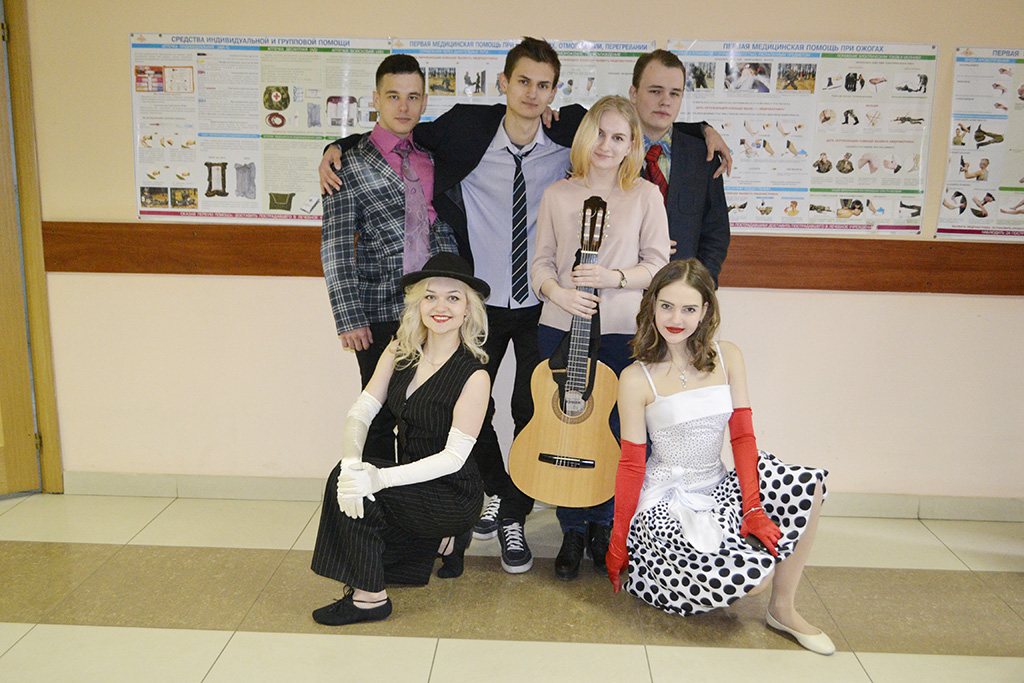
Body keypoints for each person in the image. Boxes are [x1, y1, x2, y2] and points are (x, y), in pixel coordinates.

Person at [319, 39, 732, 574]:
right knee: (461, 407)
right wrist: (339, 144)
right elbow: (404, 128)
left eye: (544, 85)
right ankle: (481, 500)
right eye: (523, 82)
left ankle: (521, 514)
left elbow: (642, 118)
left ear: (555, 92)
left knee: (537, 411)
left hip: (544, 313)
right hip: (484, 303)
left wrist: (703, 130)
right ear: (504, 83)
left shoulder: (568, 144)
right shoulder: (469, 132)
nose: (533, 94)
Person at [607, 258, 834, 655]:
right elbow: (631, 464)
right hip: (665, 500)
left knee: (807, 485)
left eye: (688, 308)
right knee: (752, 580)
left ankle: (783, 609)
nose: (676, 319)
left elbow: (743, 438)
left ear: (705, 311)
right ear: (652, 305)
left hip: (718, 484)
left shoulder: (728, 356)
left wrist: (754, 508)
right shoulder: (634, 378)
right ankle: (660, 573)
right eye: (666, 306)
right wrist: (618, 538)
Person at [310, 253, 491, 626]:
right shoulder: (400, 351)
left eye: (453, 298)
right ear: (418, 304)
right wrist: (353, 464)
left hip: (452, 491)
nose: (440, 307)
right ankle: (439, 543)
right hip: (411, 481)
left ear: (468, 311)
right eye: (430, 296)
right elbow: (362, 410)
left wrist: (379, 478)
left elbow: (454, 458)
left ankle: (370, 600)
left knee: (363, 490)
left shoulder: (474, 375)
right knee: (347, 477)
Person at [531, 96, 670, 580]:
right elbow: (540, 263)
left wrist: (613, 278)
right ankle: (572, 528)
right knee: (570, 425)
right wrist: (558, 293)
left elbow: (658, 264)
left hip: (621, 331)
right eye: (600, 134)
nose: (607, 146)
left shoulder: (646, 196)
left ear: (632, 145)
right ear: (585, 136)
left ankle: (605, 523)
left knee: (615, 431)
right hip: (560, 324)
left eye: (619, 137)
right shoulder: (557, 194)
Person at [321, 54, 459, 462]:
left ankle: (419, 495)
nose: (404, 106)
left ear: (424, 101)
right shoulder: (347, 164)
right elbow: (335, 244)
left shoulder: (435, 157)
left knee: (432, 411)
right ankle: (375, 494)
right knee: (379, 413)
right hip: (379, 308)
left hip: (436, 307)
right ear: (376, 99)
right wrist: (349, 317)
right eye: (393, 96)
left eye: (413, 97)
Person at [629, 50, 730, 285]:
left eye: (675, 93)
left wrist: (699, 286)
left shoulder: (703, 156)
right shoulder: (610, 153)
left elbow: (716, 233)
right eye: (655, 91)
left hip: (681, 293)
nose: (665, 101)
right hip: (622, 290)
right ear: (633, 93)